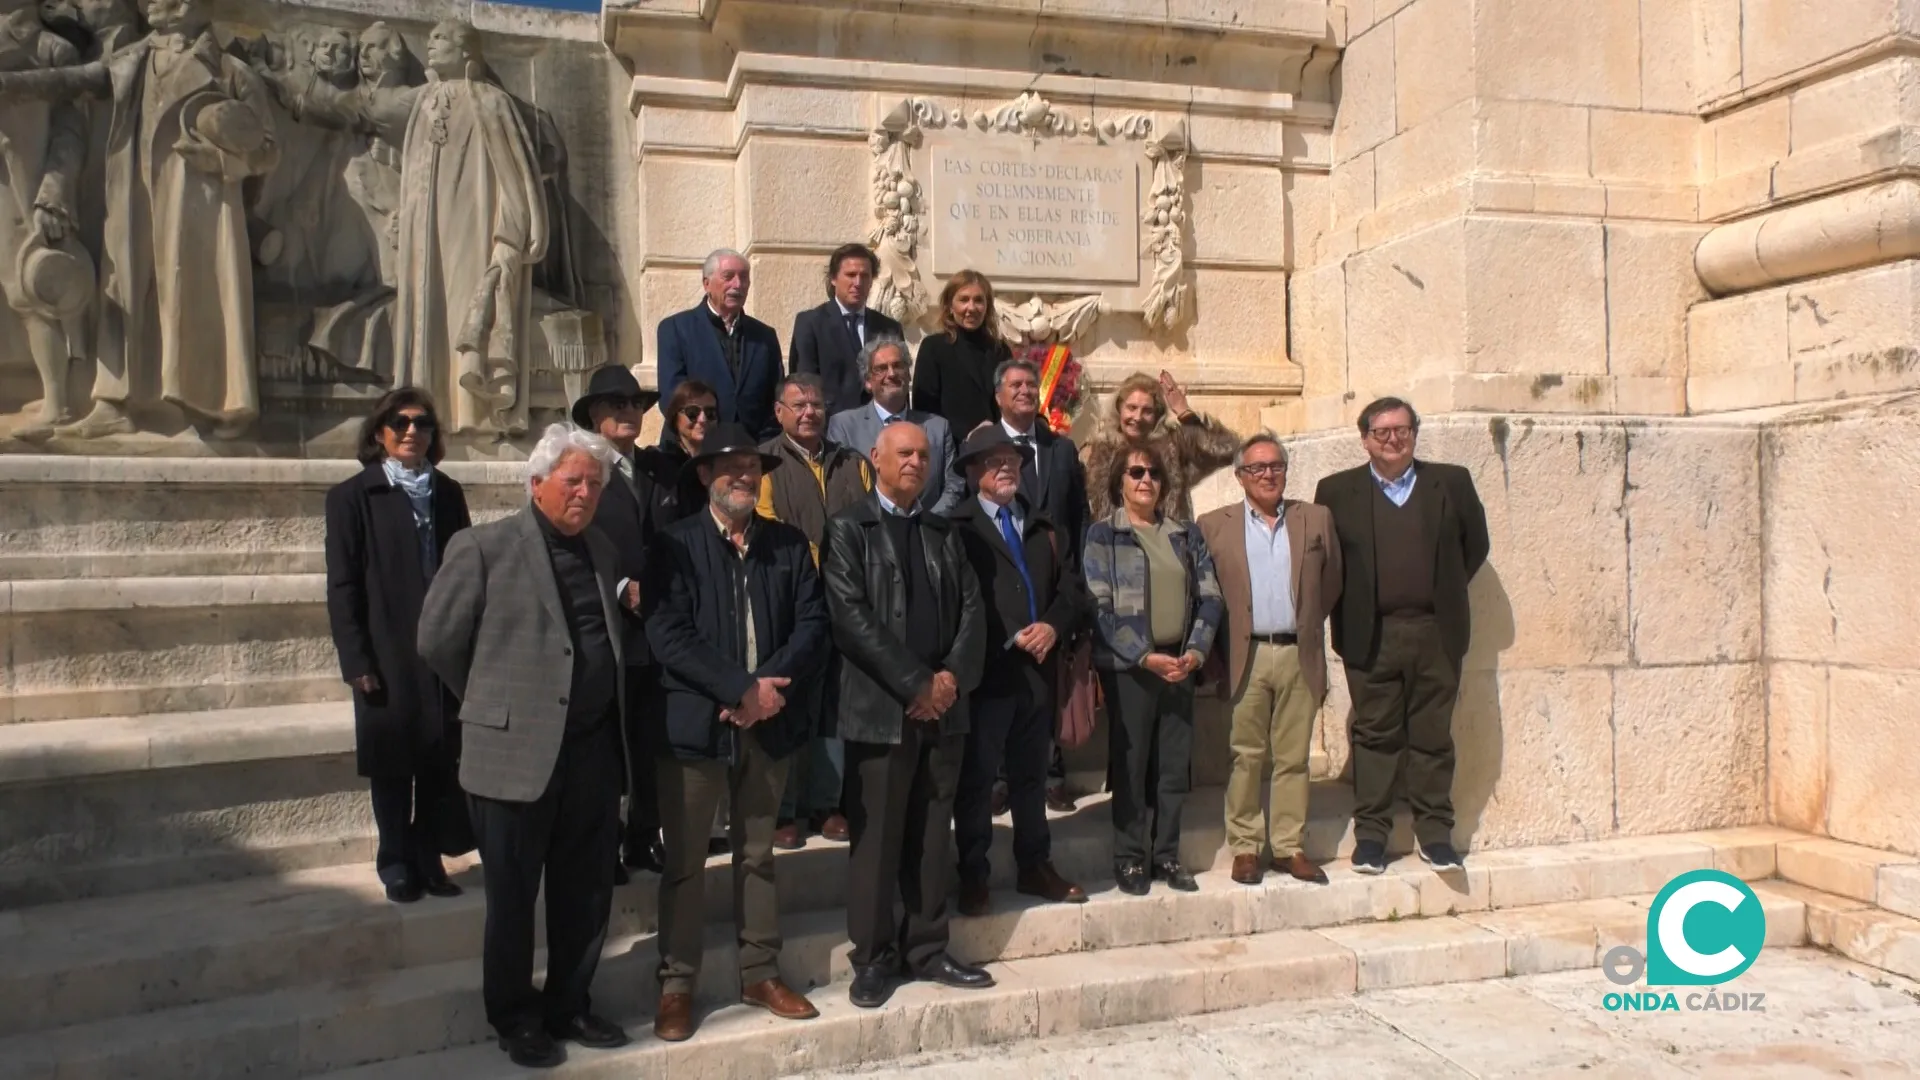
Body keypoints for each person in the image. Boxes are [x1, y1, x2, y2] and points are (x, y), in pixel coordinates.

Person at [417, 424, 630, 1069]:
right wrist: (491, 703)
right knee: (512, 897)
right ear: (536, 484)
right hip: (513, 753)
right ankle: (514, 1015)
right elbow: (437, 640)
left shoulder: (602, 549)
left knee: (585, 891)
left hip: (590, 752)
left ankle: (569, 1003)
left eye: (594, 484)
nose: (585, 493)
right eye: (573, 481)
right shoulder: (483, 547)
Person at [644, 423, 830, 1042]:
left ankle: (760, 972)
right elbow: (668, 634)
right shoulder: (673, 545)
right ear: (705, 476)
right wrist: (738, 688)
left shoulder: (787, 543)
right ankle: (677, 984)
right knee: (686, 862)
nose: (743, 476)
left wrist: (767, 691)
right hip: (697, 726)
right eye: (730, 467)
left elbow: (812, 624)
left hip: (768, 723)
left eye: (751, 466)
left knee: (757, 854)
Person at [822, 422, 988, 1009]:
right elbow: (850, 618)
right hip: (881, 712)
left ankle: (927, 947)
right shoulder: (850, 529)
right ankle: (872, 958)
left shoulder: (943, 533)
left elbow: (973, 611)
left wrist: (949, 680)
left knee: (931, 835)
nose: (916, 462)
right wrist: (917, 683)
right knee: (877, 840)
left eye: (924, 454)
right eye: (905, 453)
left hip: (942, 712)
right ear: (876, 458)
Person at [1314, 398, 1489, 876]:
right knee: (1374, 736)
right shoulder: (1336, 490)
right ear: (1365, 439)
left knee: (1433, 735)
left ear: (1414, 433)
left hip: (1436, 631)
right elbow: (1328, 558)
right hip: (1370, 634)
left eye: (1403, 429)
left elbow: (1475, 546)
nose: (1394, 439)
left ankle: (1435, 836)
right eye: (1383, 431)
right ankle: (1372, 837)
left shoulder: (1451, 482)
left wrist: (1441, 590)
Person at [324, 389, 472, 903]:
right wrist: (355, 659)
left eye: (423, 423)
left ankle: (428, 856)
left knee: (438, 758)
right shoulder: (353, 497)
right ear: (379, 432)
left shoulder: (447, 492)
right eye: (401, 423)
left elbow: (466, 570)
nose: (412, 432)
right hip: (387, 647)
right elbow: (342, 584)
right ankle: (395, 860)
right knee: (392, 761)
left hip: (441, 647)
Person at [945, 427, 1089, 917]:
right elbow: (957, 599)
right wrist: (1006, 636)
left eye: (1012, 460)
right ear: (972, 472)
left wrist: (1052, 625)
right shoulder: (957, 528)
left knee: (1031, 776)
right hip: (986, 675)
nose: (1006, 467)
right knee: (979, 780)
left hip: (1037, 673)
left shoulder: (1042, 525)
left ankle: (1035, 863)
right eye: (994, 461)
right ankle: (973, 873)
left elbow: (1072, 588)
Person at [1196, 434, 1342, 887]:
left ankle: (1288, 846)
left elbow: (1333, 580)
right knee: (1245, 755)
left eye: (1276, 466)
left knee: (1294, 756)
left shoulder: (1315, 518)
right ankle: (1245, 845)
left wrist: (1308, 624)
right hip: (1247, 653)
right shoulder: (1213, 525)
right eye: (1256, 468)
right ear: (1240, 476)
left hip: (1299, 652)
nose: (1267, 475)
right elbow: (1205, 590)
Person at [1083, 440, 1223, 897]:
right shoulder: (1104, 535)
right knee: (1131, 765)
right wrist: (1144, 656)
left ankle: (1166, 855)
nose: (1146, 481)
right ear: (1119, 482)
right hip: (1131, 668)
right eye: (1136, 473)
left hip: (1180, 663)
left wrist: (1195, 651)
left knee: (1172, 768)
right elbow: (1099, 606)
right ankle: (1129, 858)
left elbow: (1210, 597)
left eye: (1154, 474)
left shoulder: (1185, 535)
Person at [756, 373, 873, 848]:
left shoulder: (852, 463)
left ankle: (827, 804)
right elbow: (766, 528)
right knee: (787, 704)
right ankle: (783, 810)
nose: (809, 412)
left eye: (817, 405)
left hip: (845, 603)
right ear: (779, 412)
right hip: (789, 603)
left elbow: (870, 524)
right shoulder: (765, 463)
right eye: (799, 405)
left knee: (833, 704)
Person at [569, 366, 667, 879]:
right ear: (594, 415)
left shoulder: (655, 470)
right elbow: (568, 546)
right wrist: (618, 588)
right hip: (605, 628)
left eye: (634, 403)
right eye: (616, 404)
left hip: (656, 629)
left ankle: (643, 836)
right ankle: (601, 845)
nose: (628, 411)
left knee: (649, 739)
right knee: (607, 746)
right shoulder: (581, 471)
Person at [990, 357, 1090, 812]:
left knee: (1052, 684)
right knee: (1004, 683)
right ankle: (1000, 777)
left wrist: (1077, 579)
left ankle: (1051, 773)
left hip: (1056, 582)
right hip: (1004, 580)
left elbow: (1078, 515)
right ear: (998, 396)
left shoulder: (1061, 450)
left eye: (1031, 384)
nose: (1025, 391)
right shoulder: (983, 446)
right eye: (1015, 385)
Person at [827, 337, 964, 515]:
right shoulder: (844, 426)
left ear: (908, 375)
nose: (891, 374)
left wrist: (929, 522)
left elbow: (954, 484)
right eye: (881, 369)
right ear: (868, 381)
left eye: (898, 366)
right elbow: (841, 489)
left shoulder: (938, 427)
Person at [656, 248, 783, 440]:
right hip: (693, 448)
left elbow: (776, 398)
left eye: (744, 277)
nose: (737, 284)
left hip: (751, 448)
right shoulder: (675, 329)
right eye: (728, 276)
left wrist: (764, 445)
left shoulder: (765, 336)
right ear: (707, 284)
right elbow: (671, 397)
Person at [1082, 371, 1240, 522]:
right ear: (1119, 408)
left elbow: (1229, 449)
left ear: (1157, 415)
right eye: (1132, 408)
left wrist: (1184, 412)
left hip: (1167, 538)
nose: (1138, 417)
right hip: (1113, 539)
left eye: (1147, 411)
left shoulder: (1174, 446)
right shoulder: (1097, 452)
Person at [790, 243, 904, 417]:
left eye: (864, 276)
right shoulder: (811, 323)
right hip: (831, 425)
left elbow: (899, 383)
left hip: (881, 425)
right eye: (851, 275)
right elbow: (805, 383)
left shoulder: (889, 327)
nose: (858, 283)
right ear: (834, 278)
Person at [912, 269, 1012, 437]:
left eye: (978, 300)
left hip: (995, 445)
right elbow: (924, 409)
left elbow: (1009, 401)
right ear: (950, 306)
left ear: (987, 307)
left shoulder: (1000, 351)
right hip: (951, 445)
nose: (971, 308)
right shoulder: (934, 348)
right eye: (964, 300)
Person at [640, 378, 718, 528]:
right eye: (692, 413)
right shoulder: (657, 461)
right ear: (676, 416)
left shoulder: (721, 461)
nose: (702, 419)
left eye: (710, 413)